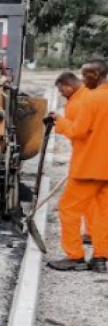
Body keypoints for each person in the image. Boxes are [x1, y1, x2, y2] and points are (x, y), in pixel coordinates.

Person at [47, 75, 108, 272]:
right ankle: (100, 258)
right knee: (103, 212)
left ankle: (75, 256)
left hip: (89, 167)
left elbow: (77, 132)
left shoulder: (89, 100)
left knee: (68, 208)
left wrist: (58, 121)